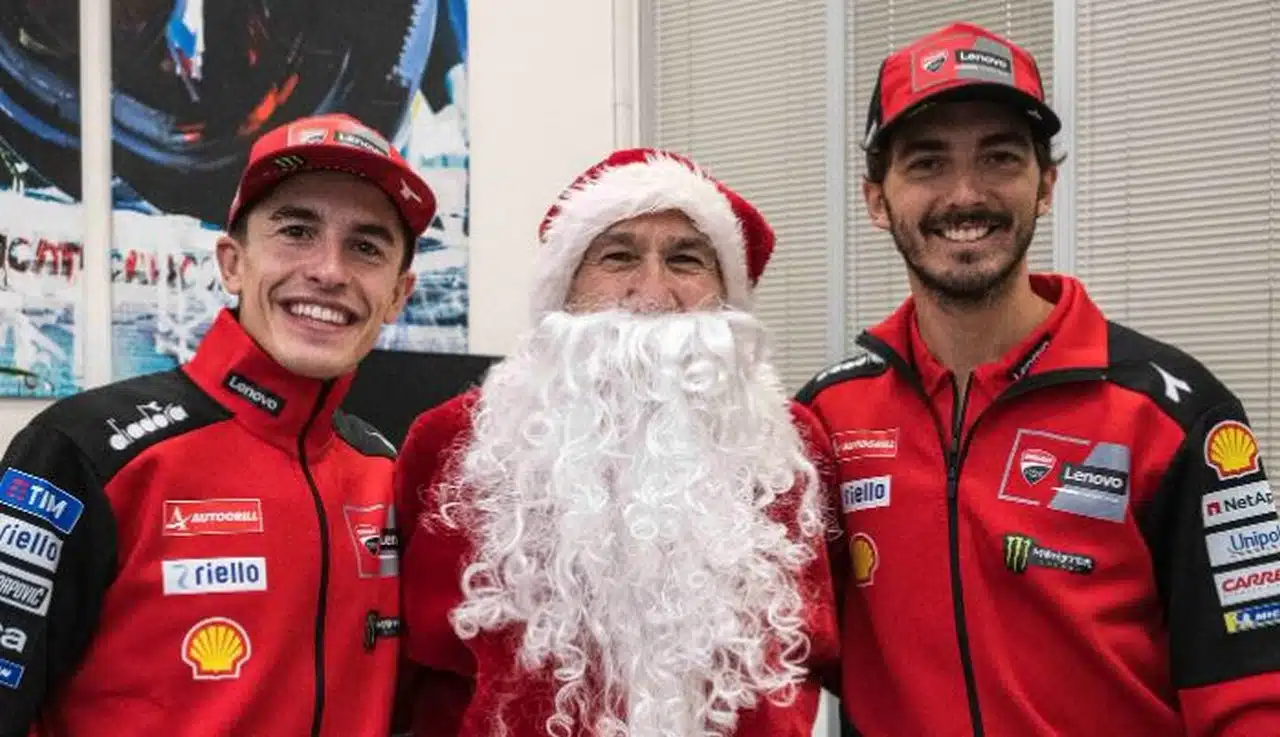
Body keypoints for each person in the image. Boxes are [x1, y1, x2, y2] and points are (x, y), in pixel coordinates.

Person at [796, 20, 1280, 737]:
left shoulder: (1173, 414)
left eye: (1000, 157)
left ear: (1045, 184)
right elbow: (775, 655)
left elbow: (1253, 693)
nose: (966, 194)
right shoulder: (826, 419)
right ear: (876, 199)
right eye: (927, 163)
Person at [0, 112, 435, 736]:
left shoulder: (384, 470)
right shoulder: (86, 450)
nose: (330, 272)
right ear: (232, 263)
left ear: (397, 294)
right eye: (296, 231)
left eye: (366, 247)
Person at [395, 148, 840, 736]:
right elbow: (395, 674)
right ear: (565, 289)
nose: (652, 293)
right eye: (618, 256)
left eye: (685, 260)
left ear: (724, 294)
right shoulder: (453, 440)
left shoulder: (790, 447)